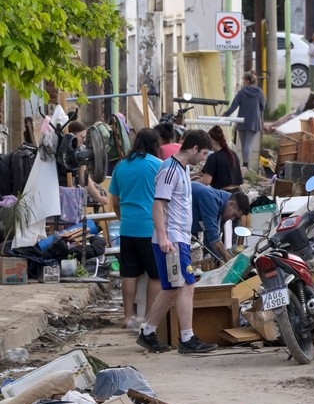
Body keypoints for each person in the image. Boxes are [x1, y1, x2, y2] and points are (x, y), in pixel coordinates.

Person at [137, 129, 218, 354]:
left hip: (178, 237)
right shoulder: (170, 169)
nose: (204, 158)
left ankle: (156, 332)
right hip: (172, 238)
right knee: (179, 285)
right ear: (193, 149)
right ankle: (179, 336)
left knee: (179, 285)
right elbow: (158, 205)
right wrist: (163, 236)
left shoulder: (181, 169)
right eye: (203, 153)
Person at [108, 128, 163, 330]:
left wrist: (123, 219)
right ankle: (148, 316)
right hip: (151, 227)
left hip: (127, 227)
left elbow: (114, 201)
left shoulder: (121, 166)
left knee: (129, 274)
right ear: (155, 145)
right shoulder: (158, 165)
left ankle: (128, 317)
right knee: (156, 274)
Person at [191, 181, 250, 262]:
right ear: (231, 204)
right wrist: (227, 259)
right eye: (234, 215)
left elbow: (209, 241)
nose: (232, 219)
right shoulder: (211, 198)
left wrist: (221, 258)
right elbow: (213, 237)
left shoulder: (220, 208)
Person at [58, 120, 110, 207]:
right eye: (82, 136)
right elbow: (84, 179)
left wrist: (98, 196)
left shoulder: (80, 151)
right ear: (73, 136)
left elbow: (85, 179)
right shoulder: (66, 152)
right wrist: (98, 197)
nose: (84, 140)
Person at [224, 70, 266, 168]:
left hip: (241, 121)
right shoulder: (260, 92)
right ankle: (245, 165)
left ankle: (244, 165)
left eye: (243, 79)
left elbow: (233, 106)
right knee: (248, 144)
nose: (242, 81)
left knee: (243, 145)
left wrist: (225, 114)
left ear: (247, 81)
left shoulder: (241, 92)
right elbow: (262, 107)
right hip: (254, 121)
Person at [200, 125, 243, 191]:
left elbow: (205, 182)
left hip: (222, 194)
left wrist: (191, 183)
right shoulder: (232, 154)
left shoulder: (213, 157)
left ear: (212, 140)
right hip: (237, 192)